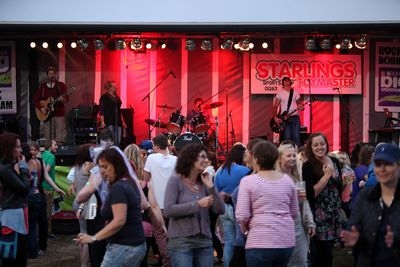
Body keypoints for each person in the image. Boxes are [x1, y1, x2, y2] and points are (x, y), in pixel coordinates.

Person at [75, 148, 146, 267]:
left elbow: (119, 221)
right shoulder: (129, 182)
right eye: (100, 167)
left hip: (124, 247)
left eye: (105, 166)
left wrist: (93, 238)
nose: (102, 171)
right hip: (132, 244)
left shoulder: (119, 188)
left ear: (116, 165)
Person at [235, 140, 298, 267]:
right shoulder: (287, 181)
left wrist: (244, 229)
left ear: (256, 159)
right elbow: (294, 212)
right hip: (286, 240)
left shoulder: (248, 181)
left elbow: (242, 215)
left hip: (259, 240)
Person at [164, 143, 225, 267]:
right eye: (202, 157)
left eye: (206, 157)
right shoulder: (175, 181)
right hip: (181, 242)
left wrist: (211, 187)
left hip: (204, 242)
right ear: (191, 159)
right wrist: (197, 204)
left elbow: (220, 209)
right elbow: (168, 210)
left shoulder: (204, 182)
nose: (206, 160)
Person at [341, 143, 400, 267]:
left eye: (388, 164)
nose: (382, 169)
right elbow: (353, 224)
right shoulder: (366, 196)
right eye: (378, 164)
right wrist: (354, 236)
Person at [302, 132, 345, 267]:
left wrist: (346, 184)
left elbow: (337, 188)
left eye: (322, 144)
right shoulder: (308, 166)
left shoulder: (335, 161)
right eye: (315, 145)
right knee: (320, 254)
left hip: (334, 214)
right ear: (310, 147)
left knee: (329, 252)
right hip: (319, 216)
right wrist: (326, 176)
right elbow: (311, 194)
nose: (320, 147)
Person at [21, 143, 64, 259]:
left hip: (35, 194)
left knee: (40, 222)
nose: (34, 152)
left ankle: (39, 248)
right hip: (37, 194)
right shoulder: (33, 161)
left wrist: (57, 189)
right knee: (36, 222)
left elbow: (46, 177)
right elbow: (46, 177)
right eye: (31, 150)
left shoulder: (30, 162)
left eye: (35, 150)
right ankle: (36, 249)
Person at [276, 143, 316, 267]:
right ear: (280, 158)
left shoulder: (297, 176)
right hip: (281, 223)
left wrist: (309, 222)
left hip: (298, 223)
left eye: (294, 155)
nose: (293, 158)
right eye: (289, 156)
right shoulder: (275, 177)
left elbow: (304, 203)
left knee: (301, 260)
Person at [143, 134, 177, 267]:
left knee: (160, 234)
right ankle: (175, 259)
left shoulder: (151, 158)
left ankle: (167, 262)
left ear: (156, 146)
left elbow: (145, 177)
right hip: (173, 204)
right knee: (173, 233)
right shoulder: (175, 160)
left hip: (156, 203)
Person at [214, 143, 250, 267]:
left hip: (224, 209)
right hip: (239, 208)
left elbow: (215, 191)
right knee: (239, 242)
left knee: (228, 242)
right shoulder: (246, 171)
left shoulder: (220, 171)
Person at [0, 133, 30, 267]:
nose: (21, 150)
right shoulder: (4, 169)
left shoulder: (7, 167)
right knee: (14, 257)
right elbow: (24, 188)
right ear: (9, 148)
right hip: (11, 218)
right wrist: (23, 168)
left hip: (14, 215)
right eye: (17, 147)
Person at [32, 66, 69, 142]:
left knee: (60, 136)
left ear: (55, 74)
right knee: (48, 137)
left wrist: (62, 99)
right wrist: (41, 108)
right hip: (47, 116)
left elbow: (67, 98)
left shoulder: (60, 85)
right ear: (47, 75)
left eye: (53, 73)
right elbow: (35, 100)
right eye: (50, 74)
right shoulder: (43, 87)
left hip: (59, 115)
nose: (52, 75)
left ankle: (59, 151)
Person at [272, 76, 303, 147]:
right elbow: (275, 107)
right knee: (287, 137)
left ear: (290, 82)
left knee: (296, 136)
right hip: (285, 118)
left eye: (287, 80)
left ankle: (299, 154)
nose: (286, 81)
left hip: (295, 116)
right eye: (284, 80)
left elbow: (299, 104)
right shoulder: (280, 94)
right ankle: (288, 152)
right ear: (282, 83)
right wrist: (275, 117)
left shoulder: (295, 93)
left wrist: (301, 107)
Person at [99, 81, 127, 146]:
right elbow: (101, 110)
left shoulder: (117, 97)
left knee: (118, 139)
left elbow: (119, 110)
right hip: (109, 120)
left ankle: (115, 151)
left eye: (115, 87)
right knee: (111, 139)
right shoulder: (104, 97)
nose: (115, 88)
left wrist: (123, 122)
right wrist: (102, 121)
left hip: (118, 121)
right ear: (109, 87)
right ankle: (111, 153)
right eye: (113, 86)